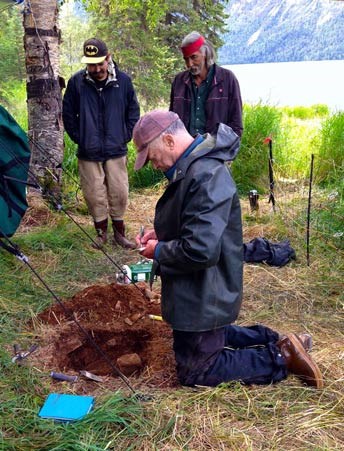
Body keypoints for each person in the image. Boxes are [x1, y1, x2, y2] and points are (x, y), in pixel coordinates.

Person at [132, 109, 323, 389]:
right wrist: (161, 235)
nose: (152, 164)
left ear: (170, 141)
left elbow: (200, 249)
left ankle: (281, 356)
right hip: (201, 288)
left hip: (206, 290)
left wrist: (159, 251)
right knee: (198, 339)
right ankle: (274, 338)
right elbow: (196, 224)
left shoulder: (205, 173)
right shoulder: (195, 167)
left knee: (196, 372)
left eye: (151, 155)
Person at [62, 38, 140, 249]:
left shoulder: (123, 81)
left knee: (119, 191)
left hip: (116, 149)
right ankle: (100, 234)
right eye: (91, 64)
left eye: (99, 63)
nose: (96, 69)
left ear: (108, 58)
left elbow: (133, 111)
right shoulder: (76, 83)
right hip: (89, 151)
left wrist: (126, 134)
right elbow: (68, 114)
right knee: (93, 193)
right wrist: (80, 137)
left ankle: (120, 235)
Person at [170, 31, 243, 138]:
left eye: (194, 57)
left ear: (205, 54)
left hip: (216, 151)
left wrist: (222, 150)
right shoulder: (179, 81)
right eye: (186, 59)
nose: (189, 64)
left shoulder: (227, 79)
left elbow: (236, 125)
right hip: (184, 150)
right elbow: (172, 120)